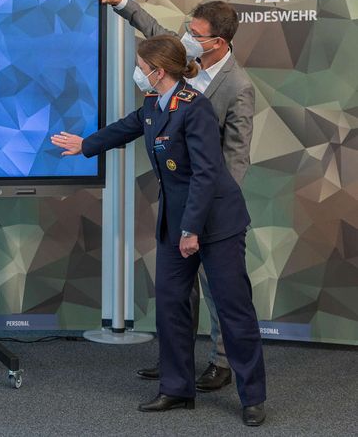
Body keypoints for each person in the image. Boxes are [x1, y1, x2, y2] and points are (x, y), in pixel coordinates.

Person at [51, 35, 266, 426]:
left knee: (234, 311)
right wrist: (86, 145)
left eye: (141, 66)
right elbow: (125, 129)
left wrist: (191, 230)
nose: (139, 73)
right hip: (177, 222)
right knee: (171, 306)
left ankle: (253, 397)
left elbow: (205, 175)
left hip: (214, 224)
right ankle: (176, 389)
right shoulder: (153, 103)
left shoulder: (194, 109)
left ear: (158, 71)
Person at [91, 0, 255, 391]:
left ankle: (221, 362)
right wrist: (121, 1)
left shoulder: (237, 86)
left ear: (217, 42)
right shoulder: (179, 53)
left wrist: (212, 210)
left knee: (219, 291)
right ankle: (175, 363)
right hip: (176, 195)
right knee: (177, 291)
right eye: (188, 29)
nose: (186, 37)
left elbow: (236, 153)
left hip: (212, 201)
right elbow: (154, 32)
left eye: (196, 34)